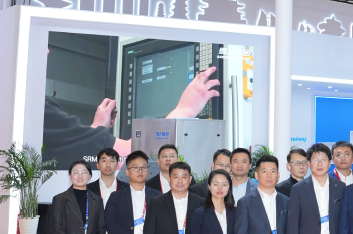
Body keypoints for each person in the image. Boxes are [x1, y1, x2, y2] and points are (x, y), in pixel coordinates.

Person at [43, 56, 220, 168]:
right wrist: (185, 108)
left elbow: (70, 151)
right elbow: (131, 155)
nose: (48, 50)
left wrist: (96, 130)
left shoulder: (38, 112)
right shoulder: (44, 111)